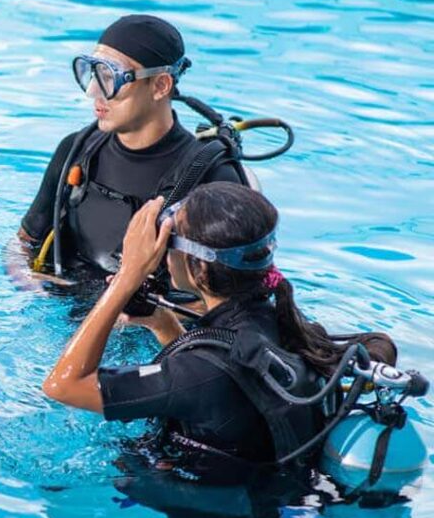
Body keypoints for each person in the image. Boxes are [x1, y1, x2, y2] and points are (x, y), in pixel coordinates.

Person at [42, 181, 396, 471]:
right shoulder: (284, 326)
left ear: (200, 269)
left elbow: (63, 385)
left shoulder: (194, 375)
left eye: (170, 243)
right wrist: (165, 327)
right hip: (277, 510)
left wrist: (127, 278)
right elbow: (222, 388)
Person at [18, 15, 247, 279]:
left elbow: (228, 299)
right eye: (91, 72)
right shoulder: (76, 150)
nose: (93, 91)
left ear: (161, 85)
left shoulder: (212, 180)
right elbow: (23, 244)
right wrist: (28, 287)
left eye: (109, 76)